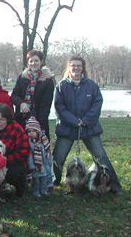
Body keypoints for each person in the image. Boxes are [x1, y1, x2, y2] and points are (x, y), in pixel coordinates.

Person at [52, 55, 123, 196]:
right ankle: (52, 183)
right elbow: (59, 107)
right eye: (73, 65)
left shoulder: (91, 85)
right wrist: (74, 121)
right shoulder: (61, 86)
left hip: (89, 127)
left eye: (79, 65)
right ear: (69, 67)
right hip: (67, 127)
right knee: (57, 158)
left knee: (101, 157)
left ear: (82, 68)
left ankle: (114, 186)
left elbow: (97, 104)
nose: (76, 68)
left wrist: (85, 120)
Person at [11, 50, 55, 139]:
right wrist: (21, 103)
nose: (33, 63)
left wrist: (38, 123)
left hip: (39, 119)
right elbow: (14, 95)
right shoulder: (22, 77)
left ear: (41, 62)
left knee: (39, 148)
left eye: (36, 60)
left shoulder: (47, 80)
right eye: (31, 61)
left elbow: (46, 104)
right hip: (21, 118)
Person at [25, 116, 52, 199]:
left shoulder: (43, 141)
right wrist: (31, 166)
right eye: (29, 131)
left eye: (34, 131)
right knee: (36, 181)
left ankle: (43, 190)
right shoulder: (29, 144)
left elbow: (47, 152)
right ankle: (36, 192)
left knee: (44, 179)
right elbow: (29, 156)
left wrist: (49, 162)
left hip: (44, 165)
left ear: (38, 131)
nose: (31, 133)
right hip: (36, 166)